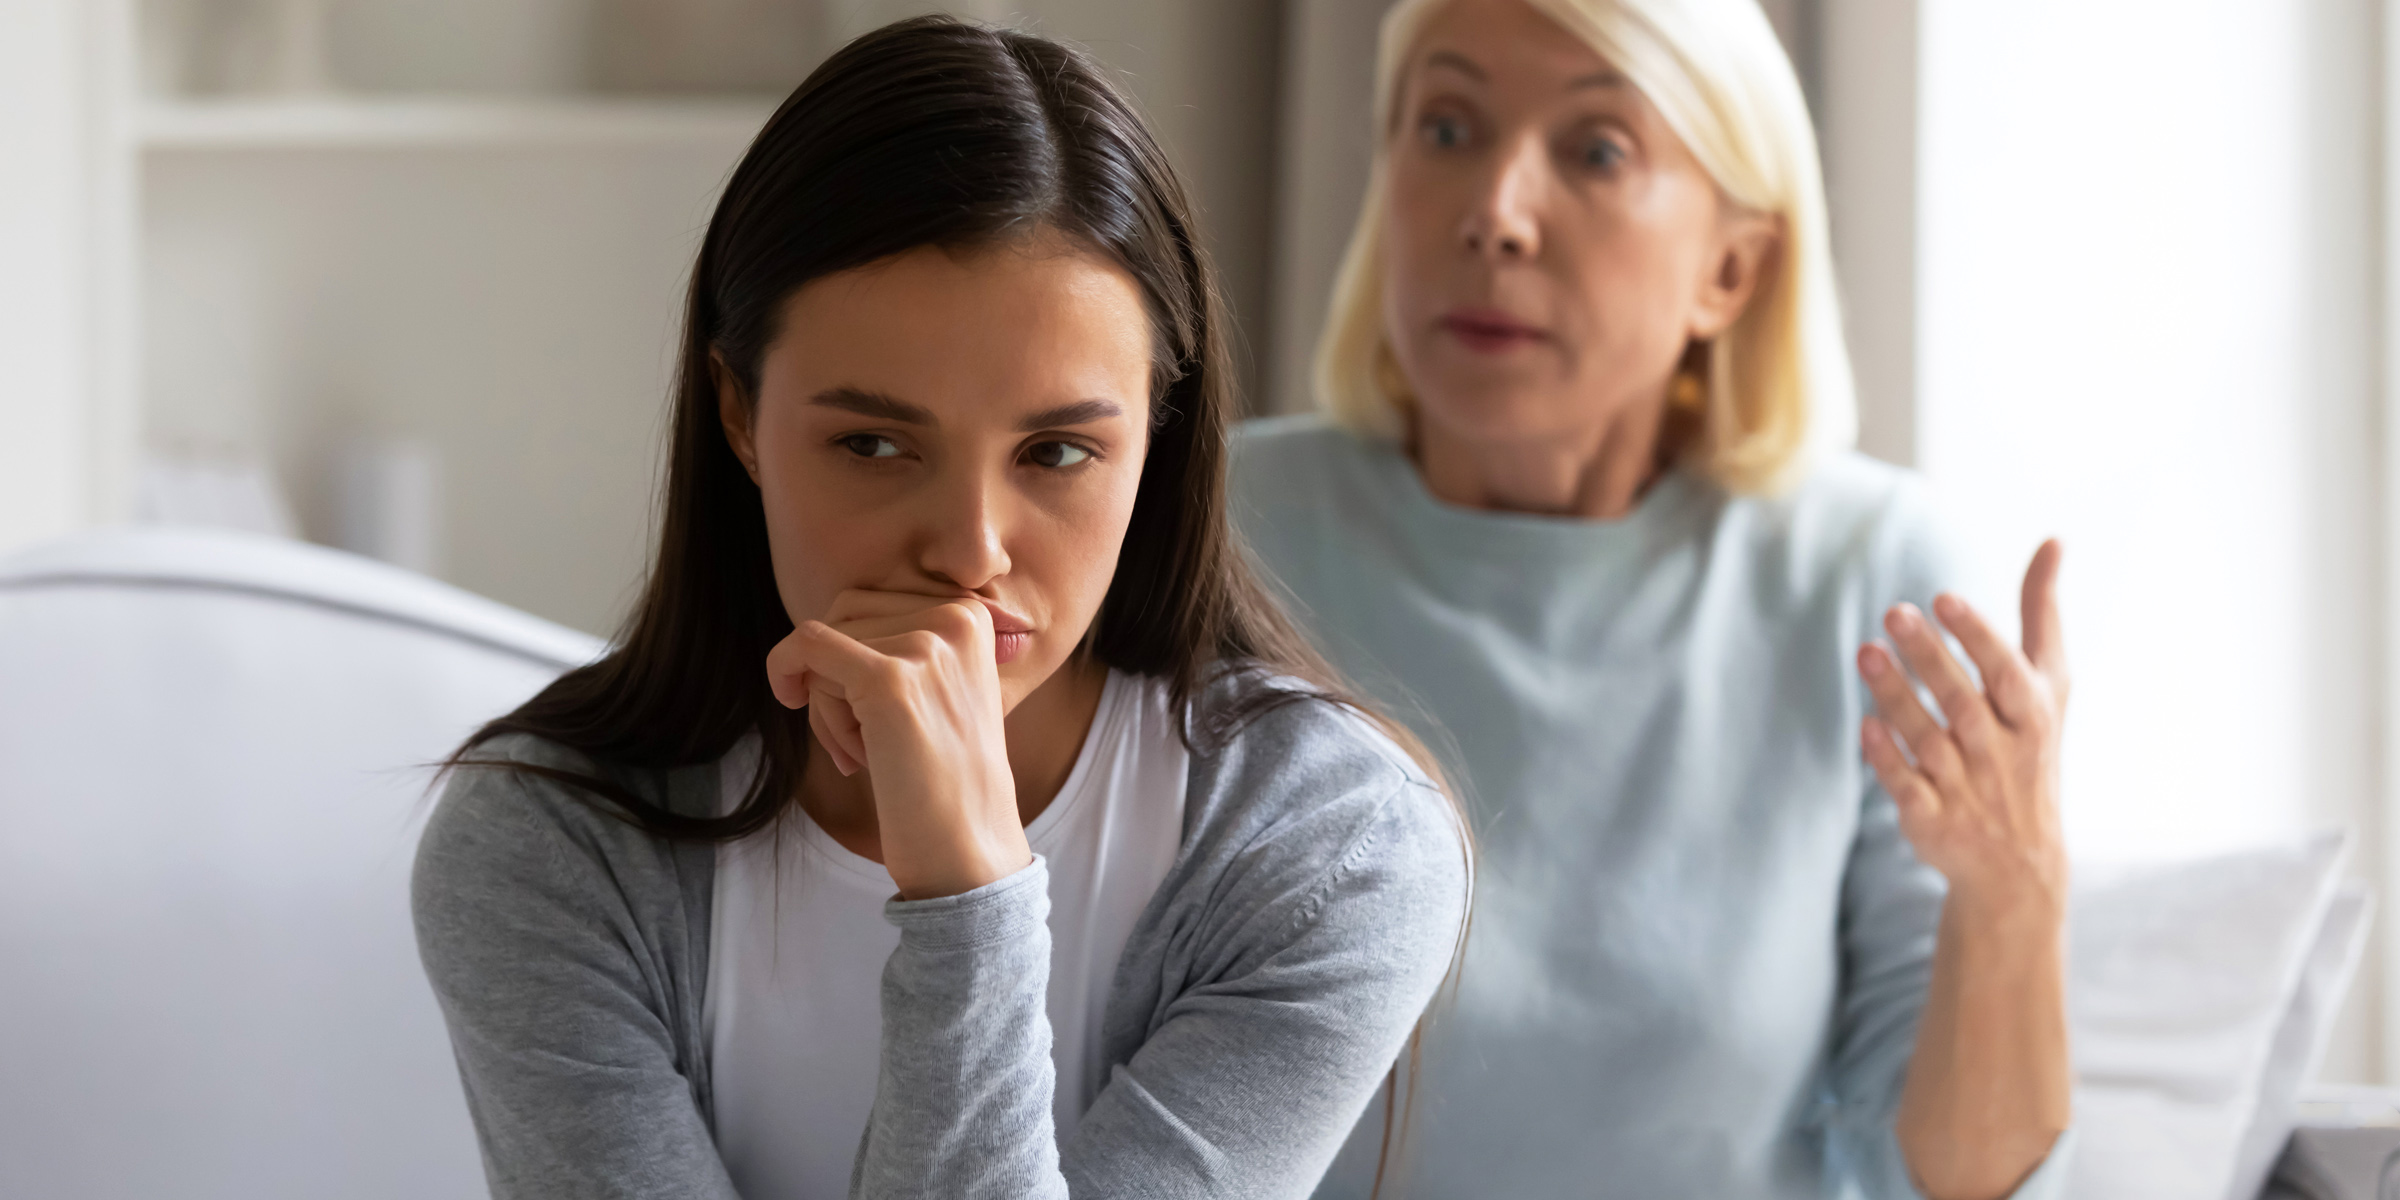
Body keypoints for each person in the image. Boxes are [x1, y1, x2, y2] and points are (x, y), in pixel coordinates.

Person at [411, 17, 1469, 1200]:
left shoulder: (1331, 853)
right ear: (738, 416)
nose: (969, 550)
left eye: (1058, 452)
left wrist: (968, 886)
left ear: (1156, 445)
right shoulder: (549, 849)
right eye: (872, 442)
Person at [1230, 0, 2072, 1197]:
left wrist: (2014, 889)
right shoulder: (1215, 523)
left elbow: (1953, 1177)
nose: (1493, 213)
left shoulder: (1872, 580)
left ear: (1732, 270)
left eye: (1595, 151)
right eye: (1448, 127)